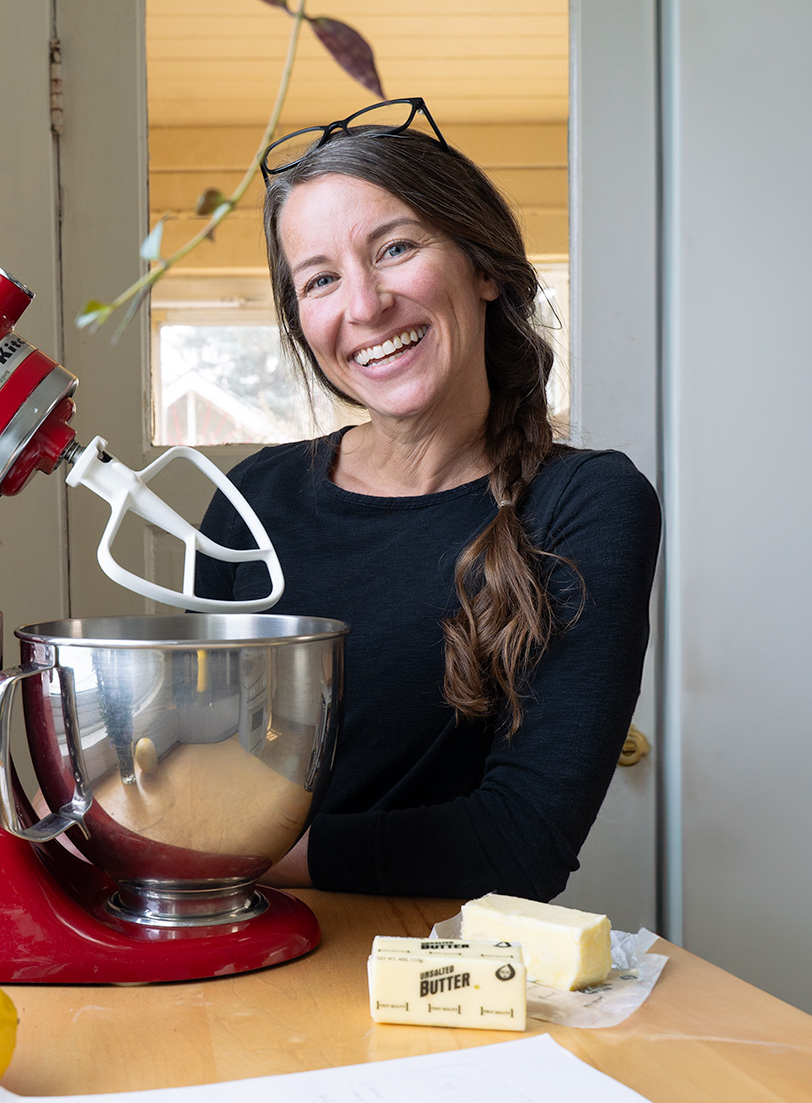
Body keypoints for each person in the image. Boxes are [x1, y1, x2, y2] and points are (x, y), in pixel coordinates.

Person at [195, 98, 661, 901]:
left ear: (484, 268)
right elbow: (204, 777)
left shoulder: (586, 503)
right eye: (321, 280)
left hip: (445, 982)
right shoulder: (252, 501)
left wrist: (228, 857)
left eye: (397, 248)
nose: (365, 306)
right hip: (240, 952)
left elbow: (522, 841)